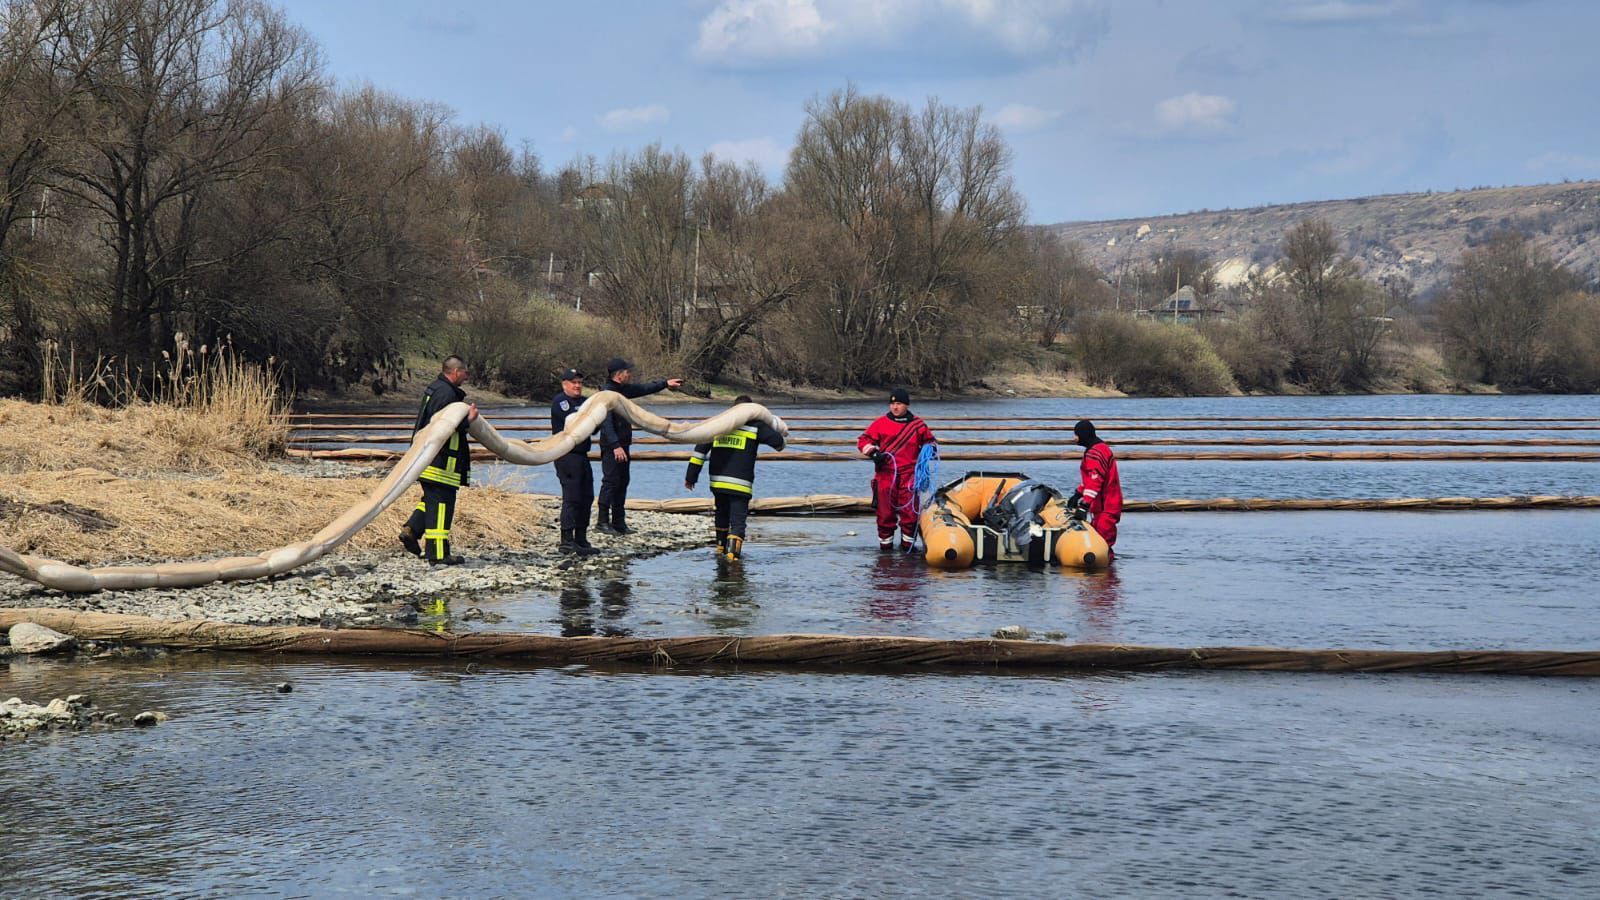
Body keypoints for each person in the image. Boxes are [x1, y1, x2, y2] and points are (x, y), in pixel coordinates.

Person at [684, 396, 785, 561]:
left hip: (717, 482)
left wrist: (691, 477)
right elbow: (779, 444)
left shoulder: (718, 425)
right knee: (738, 523)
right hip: (740, 484)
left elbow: (699, 452)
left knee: (721, 515)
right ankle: (733, 560)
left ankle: (720, 552)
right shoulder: (756, 426)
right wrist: (771, 425)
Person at [399, 356, 478, 565]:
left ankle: (412, 529)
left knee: (432, 501)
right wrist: (467, 421)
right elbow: (443, 426)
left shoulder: (435, 389)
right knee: (442, 505)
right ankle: (438, 553)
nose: (467, 376)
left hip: (427, 459)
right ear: (455, 372)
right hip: (441, 463)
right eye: (465, 372)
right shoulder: (446, 394)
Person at [596, 357, 682, 535]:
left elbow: (643, 388)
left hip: (623, 444)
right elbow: (606, 422)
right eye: (627, 372)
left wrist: (665, 383)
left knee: (623, 481)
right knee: (610, 482)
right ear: (619, 375)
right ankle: (602, 522)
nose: (630, 374)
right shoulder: (606, 393)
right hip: (613, 446)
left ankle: (619, 522)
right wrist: (615, 445)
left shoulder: (622, 390)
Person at [857, 387, 937, 552]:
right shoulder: (880, 423)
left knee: (910, 516)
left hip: (909, 477)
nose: (895, 407)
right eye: (892, 404)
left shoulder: (918, 425)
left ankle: (907, 550)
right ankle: (885, 553)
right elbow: (863, 441)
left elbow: (931, 444)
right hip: (885, 476)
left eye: (899, 404)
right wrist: (873, 453)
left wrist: (929, 451)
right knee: (885, 515)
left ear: (906, 405)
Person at [550, 367, 600, 556]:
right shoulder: (560, 402)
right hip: (566, 454)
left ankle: (581, 537)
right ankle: (566, 540)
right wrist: (592, 417)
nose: (578, 386)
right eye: (574, 382)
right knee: (572, 497)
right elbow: (574, 424)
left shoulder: (585, 402)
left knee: (587, 496)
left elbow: (593, 428)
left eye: (580, 382)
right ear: (565, 384)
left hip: (582, 454)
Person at [1068, 419, 1122, 557]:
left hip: (1106, 507)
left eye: (1076, 434)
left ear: (1083, 435)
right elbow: (1089, 480)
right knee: (1099, 540)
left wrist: (1084, 504)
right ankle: (1100, 576)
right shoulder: (1098, 449)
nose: (1074, 438)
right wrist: (1077, 494)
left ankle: (1107, 576)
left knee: (1103, 545)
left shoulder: (1095, 453)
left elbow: (1096, 480)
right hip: (1103, 507)